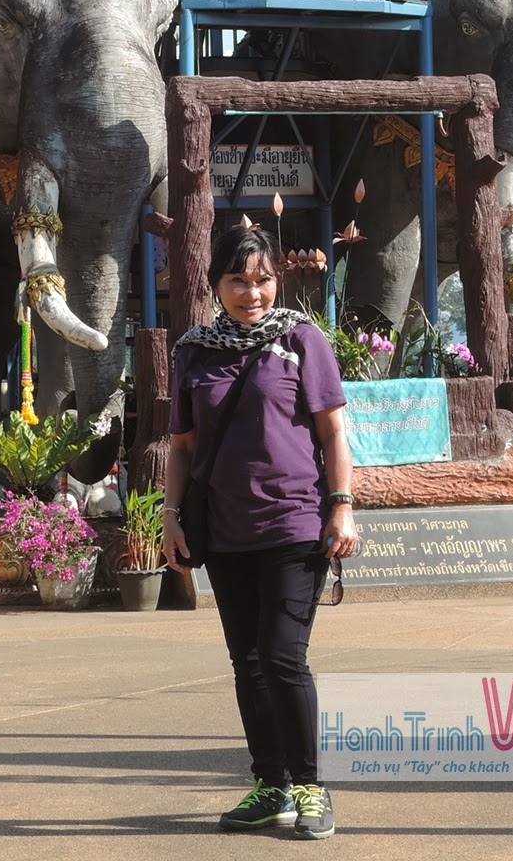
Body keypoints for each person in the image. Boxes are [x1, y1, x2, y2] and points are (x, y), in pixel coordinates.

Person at [163, 225, 358, 840]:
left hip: (296, 522)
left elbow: (332, 434)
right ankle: (270, 786)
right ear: (215, 283)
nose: (252, 292)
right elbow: (183, 447)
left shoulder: (301, 340)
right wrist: (169, 517)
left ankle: (310, 787)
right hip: (224, 530)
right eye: (238, 280)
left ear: (278, 279)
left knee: (281, 655)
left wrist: (342, 507)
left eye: (263, 279)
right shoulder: (195, 351)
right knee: (246, 662)